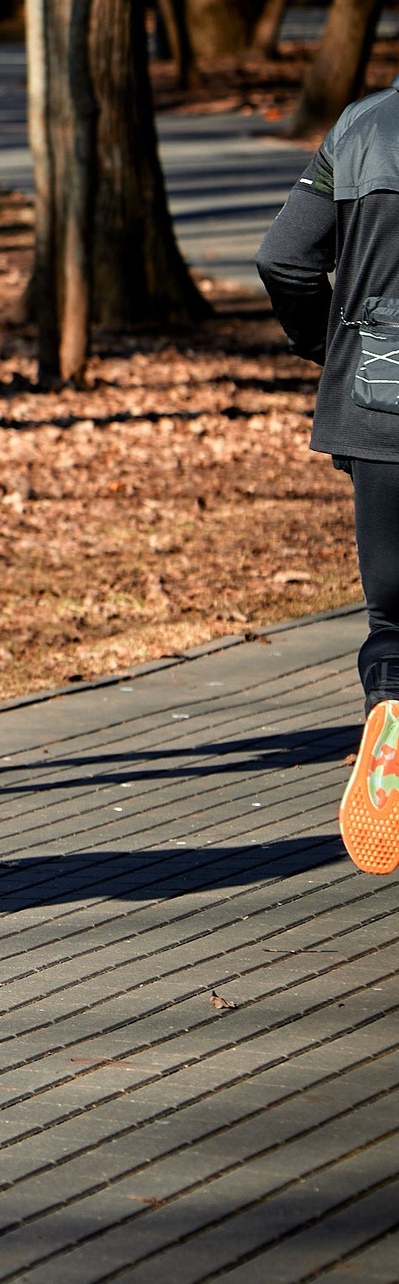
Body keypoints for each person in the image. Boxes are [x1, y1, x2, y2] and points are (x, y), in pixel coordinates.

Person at [255, 78, 399, 874]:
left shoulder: (361, 127)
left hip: (379, 403)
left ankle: (392, 702)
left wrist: (329, 346)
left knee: (394, 618)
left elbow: (283, 257)